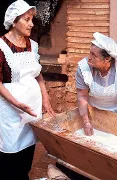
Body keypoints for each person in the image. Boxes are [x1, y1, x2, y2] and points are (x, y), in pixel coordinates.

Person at [0, 0, 55, 179]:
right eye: (26, 19)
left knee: (27, 153)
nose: (31, 23)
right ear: (14, 21)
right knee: (10, 155)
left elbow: (37, 75)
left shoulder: (33, 45)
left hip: (31, 109)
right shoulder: (1, 47)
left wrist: (45, 100)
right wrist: (17, 103)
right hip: (11, 111)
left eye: (32, 19)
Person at [76, 32, 117, 136]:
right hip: (96, 117)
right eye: (90, 53)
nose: (89, 57)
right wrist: (86, 122)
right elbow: (82, 96)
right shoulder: (84, 67)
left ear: (107, 59)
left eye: (94, 55)